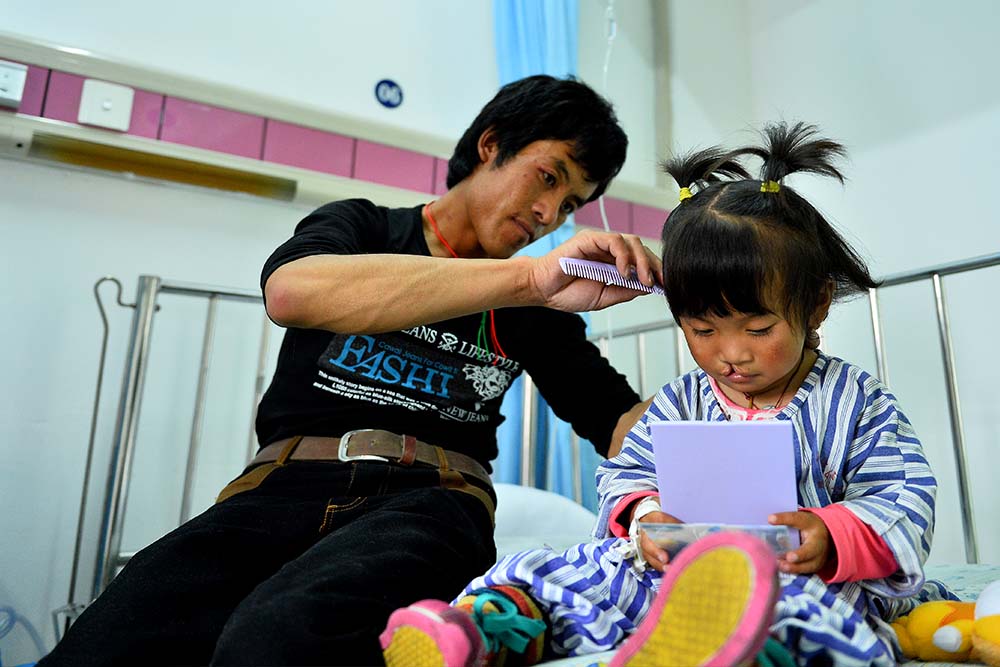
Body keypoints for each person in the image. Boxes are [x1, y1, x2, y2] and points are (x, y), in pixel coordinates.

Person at [40, 75, 662, 666]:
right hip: (279, 490)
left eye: (571, 202)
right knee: (103, 648)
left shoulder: (537, 306)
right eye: (547, 178)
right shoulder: (368, 227)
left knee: (279, 636)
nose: (550, 213)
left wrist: (735, 385)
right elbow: (292, 294)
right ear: (491, 144)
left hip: (432, 501)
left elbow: (619, 422)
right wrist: (529, 277)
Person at [380, 122, 956, 667]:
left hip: (798, 575)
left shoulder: (855, 399)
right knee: (582, 571)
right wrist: (647, 516)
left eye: (758, 330)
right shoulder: (681, 400)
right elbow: (625, 473)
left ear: (816, 305)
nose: (731, 352)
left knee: (817, 614)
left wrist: (830, 537)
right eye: (702, 331)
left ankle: (746, 645)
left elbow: (903, 493)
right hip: (673, 570)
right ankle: (494, 627)